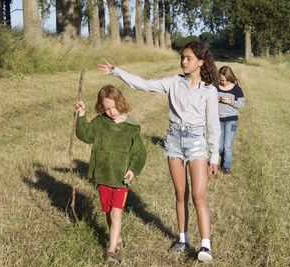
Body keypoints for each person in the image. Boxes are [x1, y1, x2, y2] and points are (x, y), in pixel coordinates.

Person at [98, 41, 220, 263]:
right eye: (182, 57)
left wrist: (214, 156)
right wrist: (117, 72)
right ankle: (182, 239)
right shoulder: (174, 83)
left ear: (200, 62)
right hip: (173, 141)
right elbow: (143, 84)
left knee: (198, 196)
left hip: (196, 143)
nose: (183, 61)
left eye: (188, 58)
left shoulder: (209, 91)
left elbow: (213, 125)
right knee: (180, 194)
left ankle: (205, 246)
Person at [75, 85, 147, 264]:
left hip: (121, 179)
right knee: (108, 211)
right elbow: (85, 135)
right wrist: (82, 115)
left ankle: (111, 251)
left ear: (120, 102)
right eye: (106, 108)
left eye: (113, 107)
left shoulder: (131, 126)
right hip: (103, 175)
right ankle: (116, 237)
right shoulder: (100, 122)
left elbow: (140, 153)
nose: (111, 111)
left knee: (116, 213)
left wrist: (132, 170)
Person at [216, 66, 245, 175]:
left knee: (228, 145)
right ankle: (222, 157)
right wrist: (216, 99)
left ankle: (226, 166)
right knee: (219, 146)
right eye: (221, 80)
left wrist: (230, 102)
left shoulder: (236, 88)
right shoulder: (215, 87)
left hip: (231, 119)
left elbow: (242, 104)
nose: (224, 82)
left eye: (226, 80)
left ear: (230, 77)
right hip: (218, 120)